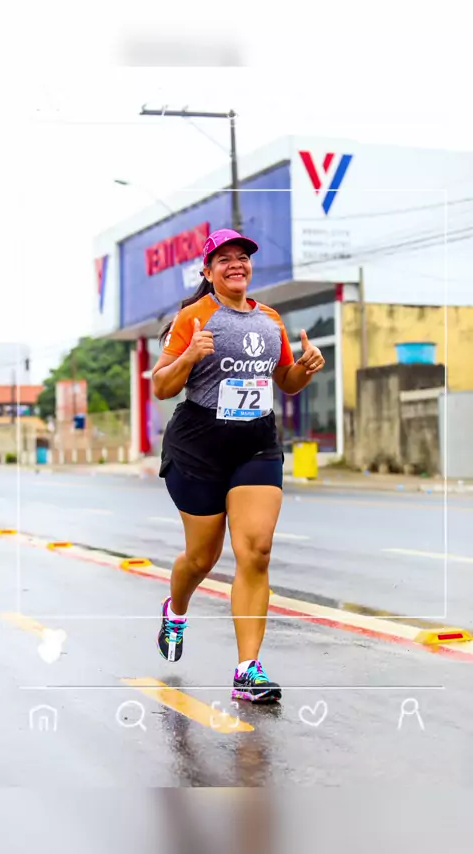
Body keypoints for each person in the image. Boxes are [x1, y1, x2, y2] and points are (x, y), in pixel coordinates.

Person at [152, 228, 325, 703]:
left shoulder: (270, 319)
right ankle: (176, 610)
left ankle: (248, 671)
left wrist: (305, 368)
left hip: (255, 443)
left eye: (242, 257)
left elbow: (285, 380)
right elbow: (161, 387)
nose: (236, 264)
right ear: (208, 272)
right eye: (224, 258)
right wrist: (189, 355)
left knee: (256, 550)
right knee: (201, 558)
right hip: (198, 446)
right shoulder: (194, 316)